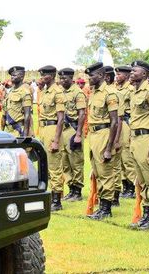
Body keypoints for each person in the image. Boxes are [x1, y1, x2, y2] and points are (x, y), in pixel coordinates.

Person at [128, 60, 149, 230]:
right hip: (135, 139)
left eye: (135, 71)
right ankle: (147, 212)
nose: (132, 72)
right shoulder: (135, 92)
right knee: (141, 179)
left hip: (146, 138)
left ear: (144, 74)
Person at [85, 62, 121, 220]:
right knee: (97, 170)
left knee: (106, 172)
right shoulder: (94, 93)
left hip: (104, 133)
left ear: (100, 75)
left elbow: (115, 121)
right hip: (93, 135)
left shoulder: (109, 93)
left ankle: (106, 208)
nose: (89, 79)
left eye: (91, 76)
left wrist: (109, 147)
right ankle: (101, 205)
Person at [37, 65, 66, 211]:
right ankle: (49, 196)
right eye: (42, 75)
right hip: (43, 129)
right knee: (46, 166)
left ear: (53, 75)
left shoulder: (57, 92)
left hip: (53, 128)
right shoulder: (45, 91)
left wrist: (55, 140)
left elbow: (61, 119)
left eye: (46, 75)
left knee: (54, 166)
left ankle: (57, 200)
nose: (43, 77)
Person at [58, 68, 87, 202]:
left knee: (76, 161)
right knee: (65, 161)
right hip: (63, 130)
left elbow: (82, 114)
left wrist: (79, 134)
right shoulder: (60, 92)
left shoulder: (78, 93)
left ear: (71, 78)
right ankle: (70, 188)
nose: (62, 81)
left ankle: (77, 191)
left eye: (65, 79)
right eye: (61, 78)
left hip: (73, 129)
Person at [115, 65, 136, 200]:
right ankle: (125, 185)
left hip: (127, 122)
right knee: (120, 156)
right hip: (118, 122)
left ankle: (132, 186)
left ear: (127, 76)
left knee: (127, 157)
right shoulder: (116, 88)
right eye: (116, 75)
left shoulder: (131, 89)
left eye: (120, 75)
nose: (117, 77)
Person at [2, 66, 33, 137]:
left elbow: (27, 115)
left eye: (14, 75)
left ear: (22, 77)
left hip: (18, 130)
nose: (12, 77)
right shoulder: (10, 91)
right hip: (8, 130)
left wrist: (25, 136)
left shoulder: (25, 92)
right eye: (11, 75)